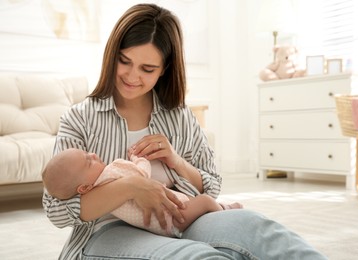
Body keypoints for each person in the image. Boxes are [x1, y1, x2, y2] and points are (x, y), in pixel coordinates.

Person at [42, 3, 328, 259]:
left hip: (182, 220)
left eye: (147, 68)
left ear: (164, 69)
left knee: (259, 230)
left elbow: (212, 186)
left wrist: (176, 161)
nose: (131, 76)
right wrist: (132, 187)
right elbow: (56, 209)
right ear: (112, 55)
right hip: (106, 232)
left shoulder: (179, 117)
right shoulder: (80, 118)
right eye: (124, 61)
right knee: (196, 256)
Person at [42, 148, 242, 238]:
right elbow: (141, 176)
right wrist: (138, 158)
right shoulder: (111, 172)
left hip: (158, 226)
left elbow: (212, 181)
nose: (93, 154)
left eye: (87, 153)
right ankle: (222, 211)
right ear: (83, 188)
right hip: (171, 215)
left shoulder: (97, 192)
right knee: (205, 201)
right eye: (88, 161)